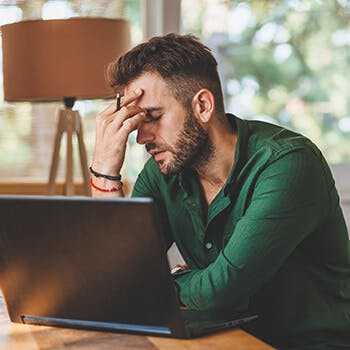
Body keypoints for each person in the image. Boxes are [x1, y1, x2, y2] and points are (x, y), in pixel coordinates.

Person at [90, 33, 350, 349]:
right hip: (220, 341)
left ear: (202, 105)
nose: (141, 137)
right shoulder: (164, 172)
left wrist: (164, 278)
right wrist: (104, 170)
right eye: (134, 122)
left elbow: (220, 291)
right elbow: (117, 276)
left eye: (153, 117)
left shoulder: (288, 164)